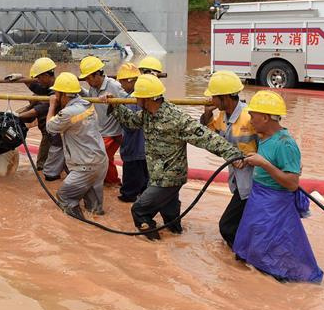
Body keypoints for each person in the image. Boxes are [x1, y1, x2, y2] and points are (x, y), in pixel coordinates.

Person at [109, 74, 243, 240]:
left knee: (139, 210)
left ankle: (155, 251)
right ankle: (174, 246)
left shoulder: (175, 118)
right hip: (158, 175)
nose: (136, 101)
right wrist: (114, 105)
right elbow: (130, 121)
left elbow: (207, 138)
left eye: (138, 98)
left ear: (147, 99)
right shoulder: (147, 115)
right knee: (170, 220)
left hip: (168, 179)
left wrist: (233, 154)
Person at [234, 91, 323, 283]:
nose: (249, 120)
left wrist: (263, 164)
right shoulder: (263, 137)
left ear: (265, 118)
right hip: (259, 199)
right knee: (255, 245)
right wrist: (250, 162)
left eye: (252, 115)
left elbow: (292, 184)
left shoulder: (285, 144)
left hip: (274, 204)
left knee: (276, 250)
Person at [199, 71, 258, 248]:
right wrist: (207, 115)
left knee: (226, 226)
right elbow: (210, 137)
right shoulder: (222, 117)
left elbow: (268, 144)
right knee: (244, 221)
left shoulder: (249, 117)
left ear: (225, 98)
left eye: (214, 98)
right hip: (236, 179)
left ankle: (242, 256)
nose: (211, 101)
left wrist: (250, 159)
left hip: (251, 180)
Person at [46, 72, 108, 219]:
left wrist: (51, 105)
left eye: (56, 93)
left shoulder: (68, 112)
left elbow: (50, 127)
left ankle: (78, 229)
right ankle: (94, 231)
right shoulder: (86, 103)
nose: (55, 95)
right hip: (100, 162)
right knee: (94, 209)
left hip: (85, 167)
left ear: (63, 95)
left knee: (64, 197)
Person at [5, 57, 68, 181]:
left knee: (43, 164)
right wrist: (22, 78)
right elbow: (37, 88)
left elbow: (40, 109)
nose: (38, 81)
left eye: (39, 78)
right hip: (50, 130)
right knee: (57, 159)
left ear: (46, 75)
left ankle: (54, 179)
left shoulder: (55, 91)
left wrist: (17, 116)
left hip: (54, 132)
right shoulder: (49, 86)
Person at [78, 55, 126, 186]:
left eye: (88, 78)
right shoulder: (94, 87)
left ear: (97, 74)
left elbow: (129, 100)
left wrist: (113, 100)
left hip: (113, 132)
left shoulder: (114, 86)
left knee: (101, 156)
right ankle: (109, 181)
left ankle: (113, 182)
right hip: (101, 130)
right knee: (104, 157)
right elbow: (90, 97)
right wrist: (78, 89)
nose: (87, 81)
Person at [115, 63, 149, 202]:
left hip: (134, 146)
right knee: (144, 176)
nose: (121, 86)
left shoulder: (131, 99)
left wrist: (116, 108)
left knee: (131, 178)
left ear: (130, 81)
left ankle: (128, 195)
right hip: (145, 147)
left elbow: (130, 126)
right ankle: (143, 194)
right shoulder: (146, 95)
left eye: (122, 82)